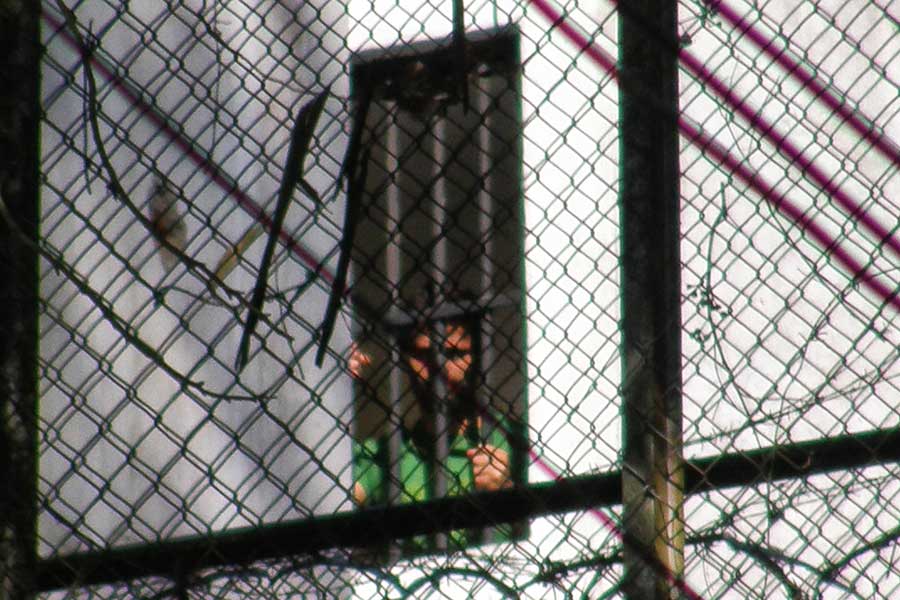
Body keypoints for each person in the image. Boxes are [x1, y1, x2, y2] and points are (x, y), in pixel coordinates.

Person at [348, 317, 513, 512]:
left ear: (478, 359)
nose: (440, 369)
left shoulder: (513, 440)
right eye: (425, 355)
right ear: (405, 361)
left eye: (454, 353)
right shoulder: (383, 456)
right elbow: (330, 502)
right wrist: (337, 387)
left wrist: (506, 491)